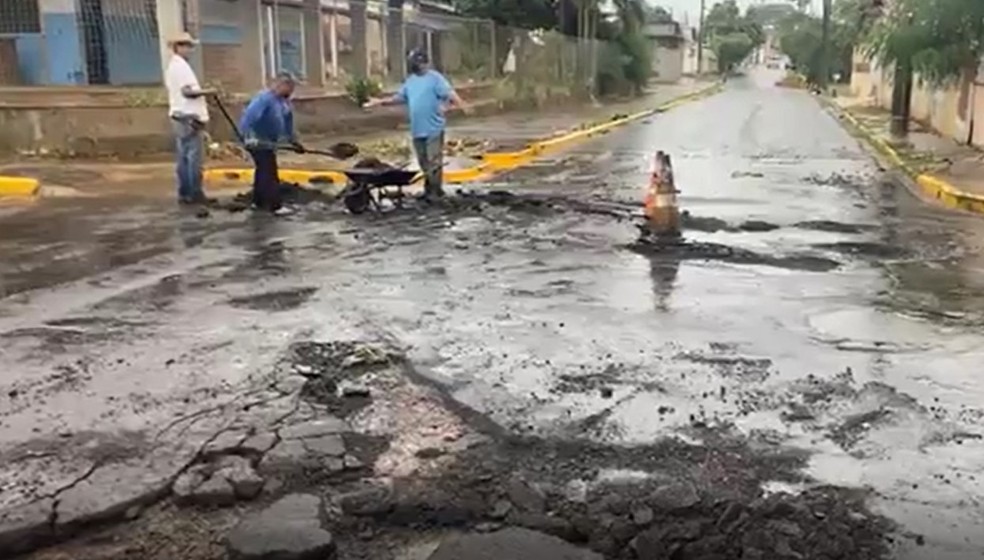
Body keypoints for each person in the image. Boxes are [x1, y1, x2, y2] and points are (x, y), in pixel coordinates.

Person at [364, 50, 470, 201]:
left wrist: (462, 105)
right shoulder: (411, 81)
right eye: (413, 63)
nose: (416, 65)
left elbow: (449, 93)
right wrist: (379, 102)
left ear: (425, 63)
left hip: (433, 127)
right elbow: (399, 97)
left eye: (418, 63)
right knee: (423, 161)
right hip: (417, 129)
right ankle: (429, 190)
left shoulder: (435, 78)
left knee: (433, 161)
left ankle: (435, 191)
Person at [239, 72, 306, 216]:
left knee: (263, 169)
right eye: (290, 87)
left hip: (270, 142)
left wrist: (294, 142)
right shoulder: (264, 99)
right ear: (281, 85)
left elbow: (288, 124)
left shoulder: (284, 102)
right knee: (269, 171)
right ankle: (275, 206)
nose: (292, 91)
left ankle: (259, 202)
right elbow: (248, 119)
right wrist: (248, 137)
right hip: (257, 140)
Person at [164, 32, 216, 205]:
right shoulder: (181, 67)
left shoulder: (174, 66)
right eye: (186, 46)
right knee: (194, 158)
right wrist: (208, 92)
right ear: (178, 47)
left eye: (190, 46)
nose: (189, 50)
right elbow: (187, 92)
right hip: (188, 117)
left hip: (180, 116)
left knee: (184, 158)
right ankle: (195, 193)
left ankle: (185, 193)